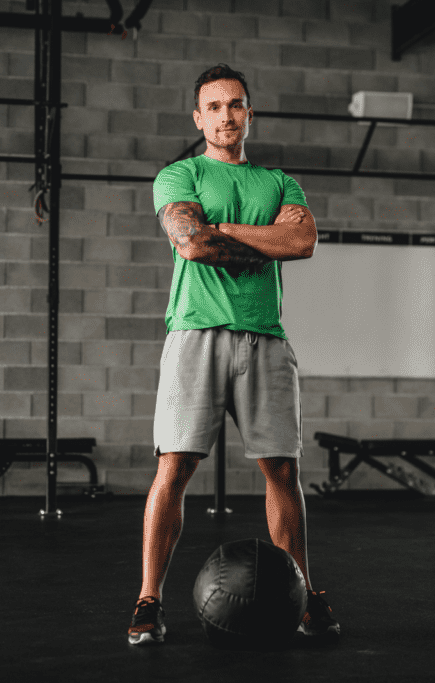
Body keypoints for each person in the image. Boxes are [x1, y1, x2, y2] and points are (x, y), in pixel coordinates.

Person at [127, 63, 340, 646]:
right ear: (199, 118)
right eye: (214, 107)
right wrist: (247, 237)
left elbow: (302, 240)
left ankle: (302, 596)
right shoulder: (178, 175)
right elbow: (191, 243)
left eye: (236, 105)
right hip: (194, 334)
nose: (226, 116)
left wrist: (220, 228)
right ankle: (149, 600)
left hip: (265, 337)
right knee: (175, 466)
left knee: (284, 470)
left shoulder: (280, 183)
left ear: (251, 114)